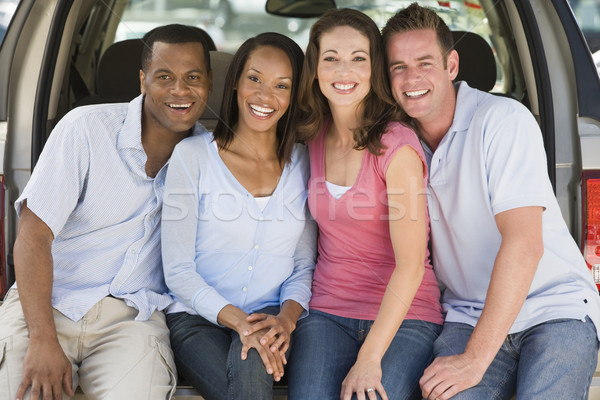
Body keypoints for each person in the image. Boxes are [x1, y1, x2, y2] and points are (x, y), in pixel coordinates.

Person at [382, 3, 600, 399]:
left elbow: (524, 244)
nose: (411, 77)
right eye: (398, 66)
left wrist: (474, 361)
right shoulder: (397, 146)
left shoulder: (502, 121)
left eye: (424, 62)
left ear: (451, 65)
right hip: (466, 315)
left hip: (553, 308)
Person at [0, 24, 213, 400]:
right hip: (47, 303)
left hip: (133, 319)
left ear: (210, 83)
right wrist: (43, 339)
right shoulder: (85, 128)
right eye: (165, 76)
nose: (180, 90)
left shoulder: (214, 157)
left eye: (192, 77)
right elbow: (33, 236)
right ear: (143, 80)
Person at [286, 8, 443, 400]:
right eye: (331, 58)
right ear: (315, 69)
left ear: (374, 70)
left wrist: (370, 357)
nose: (344, 71)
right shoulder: (312, 136)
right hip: (327, 310)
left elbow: (410, 266)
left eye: (359, 58)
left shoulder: (396, 145)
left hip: (406, 316)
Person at [161, 32, 316, 400]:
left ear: (295, 96)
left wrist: (287, 319)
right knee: (250, 372)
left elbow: (303, 264)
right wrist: (240, 323)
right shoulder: (193, 156)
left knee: (250, 367)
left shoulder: (305, 163)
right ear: (234, 84)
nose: (265, 96)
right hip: (196, 319)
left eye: (282, 85)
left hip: (272, 316)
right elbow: (178, 270)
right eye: (254, 79)